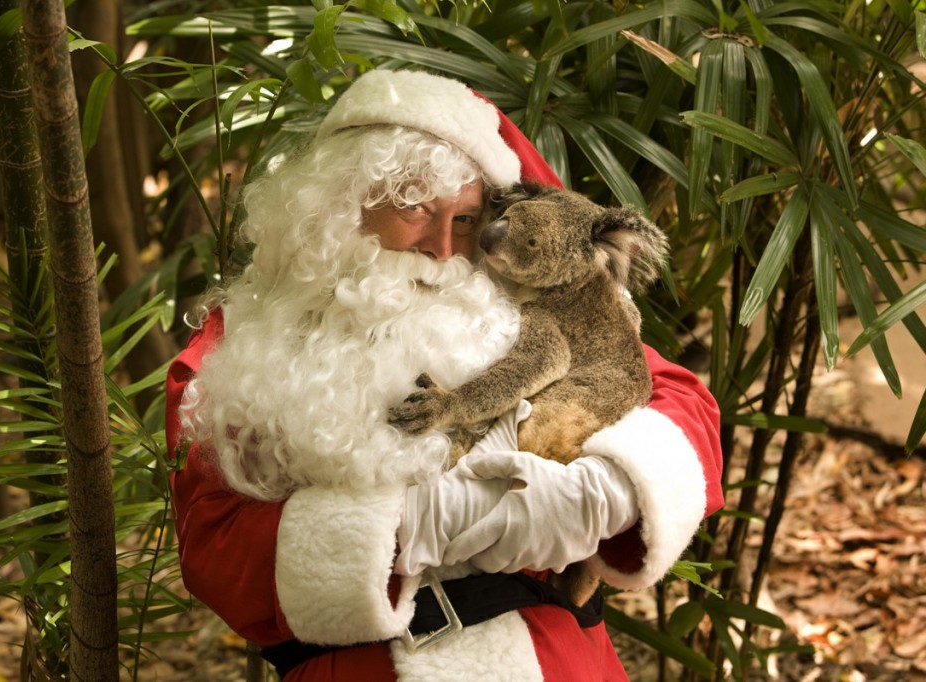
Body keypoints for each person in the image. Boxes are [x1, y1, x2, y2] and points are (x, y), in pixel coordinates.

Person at [164, 69, 723, 681]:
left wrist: (602, 493)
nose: (442, 246)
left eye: (465, 219)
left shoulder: (530, 296)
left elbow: (681, 402)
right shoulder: (245, 339)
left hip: (552, 655)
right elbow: (214, 547)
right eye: (415, 209)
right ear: (337, 205)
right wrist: (415, 525)